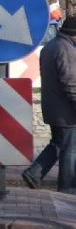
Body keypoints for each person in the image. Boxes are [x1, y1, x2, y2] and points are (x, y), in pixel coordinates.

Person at [22, 17, 76, 194]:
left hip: (53, 106)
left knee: (58, 143)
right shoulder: (66, 49)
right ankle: (67, 188)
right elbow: (70, 82)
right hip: (66, 110)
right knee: (70, 150)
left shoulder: (50, 46)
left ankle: (34, 173)